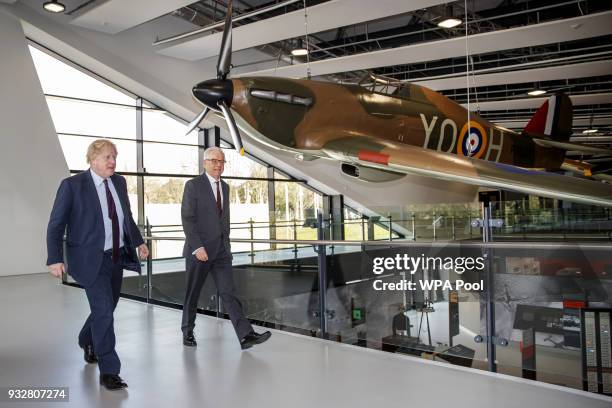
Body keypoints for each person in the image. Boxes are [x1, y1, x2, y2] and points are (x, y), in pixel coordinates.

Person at [46, 139, 149, 391]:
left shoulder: (119, 182)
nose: (113, 162)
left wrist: (138, 242)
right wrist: (54, 257)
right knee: (103, 311)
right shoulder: (72, 186)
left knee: (107, 308)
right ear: (92, 160)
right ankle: (109, 371)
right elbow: (56, 224)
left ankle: (85, 339)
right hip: (89, 259)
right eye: (107, 157)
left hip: (115, 256)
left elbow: (126, 216)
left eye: (114, 156)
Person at [181, 146, 271, 350]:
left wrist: (226, 245)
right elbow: (188, 218)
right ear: (205, 163)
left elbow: (222, 221)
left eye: (221, 162)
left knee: (229, 293)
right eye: (214, 161)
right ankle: (187, 331)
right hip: (200, 252)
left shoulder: (226, 187)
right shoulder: (193, 186)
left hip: (221, 251)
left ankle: (245, 335)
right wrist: (197, 247)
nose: (218, 165)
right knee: (192, 294)